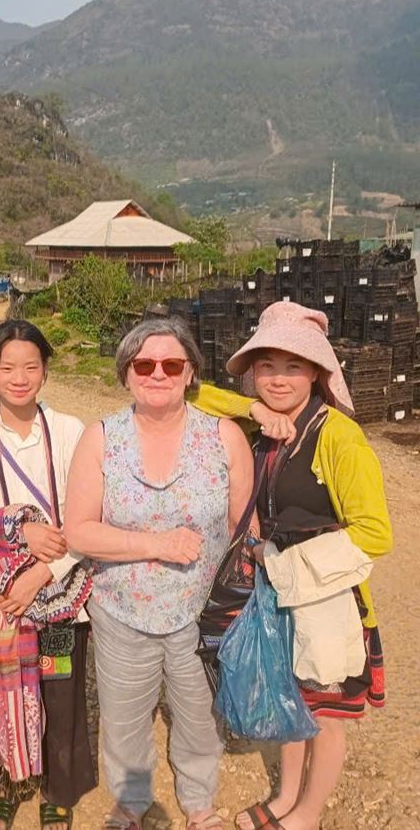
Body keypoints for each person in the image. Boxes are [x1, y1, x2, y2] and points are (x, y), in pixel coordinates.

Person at [194, 302, 392, 830]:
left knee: (324, 716)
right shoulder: (267, 424)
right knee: (291, 697)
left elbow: (375, 533)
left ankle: (306, 812)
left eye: (293, 366)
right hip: (281, 591)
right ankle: (284, 795)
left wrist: (274, 559)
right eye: (267, 365)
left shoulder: (339, 437)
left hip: (325, 598)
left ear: (318, 374)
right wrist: (254, 410)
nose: (277, 379)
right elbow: (191, 392)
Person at [64, 318, 255, 830]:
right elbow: (79, 531)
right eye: (144, 365)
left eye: (172, 364)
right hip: (122, 608)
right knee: (125, 715)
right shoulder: (101, 438)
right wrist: (155, 545)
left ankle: (197, 801)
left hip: (203, 612)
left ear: (190, 372)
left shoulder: (224, 437)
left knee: (199, 713)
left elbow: (243, 525)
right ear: (126, 373)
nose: (158, 374)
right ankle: (131, 797)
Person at [0, 319, 94, 830]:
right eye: (6, 367)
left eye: (31, 366)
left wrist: (45, 570)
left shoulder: (74, 432)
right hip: (0, 598)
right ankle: (8, 780)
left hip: (59, 586)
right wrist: (20, 540)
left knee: (60, 689)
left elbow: (87, 515)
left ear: (46, 371)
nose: (19, 377)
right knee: (3, 692)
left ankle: (60, 787)